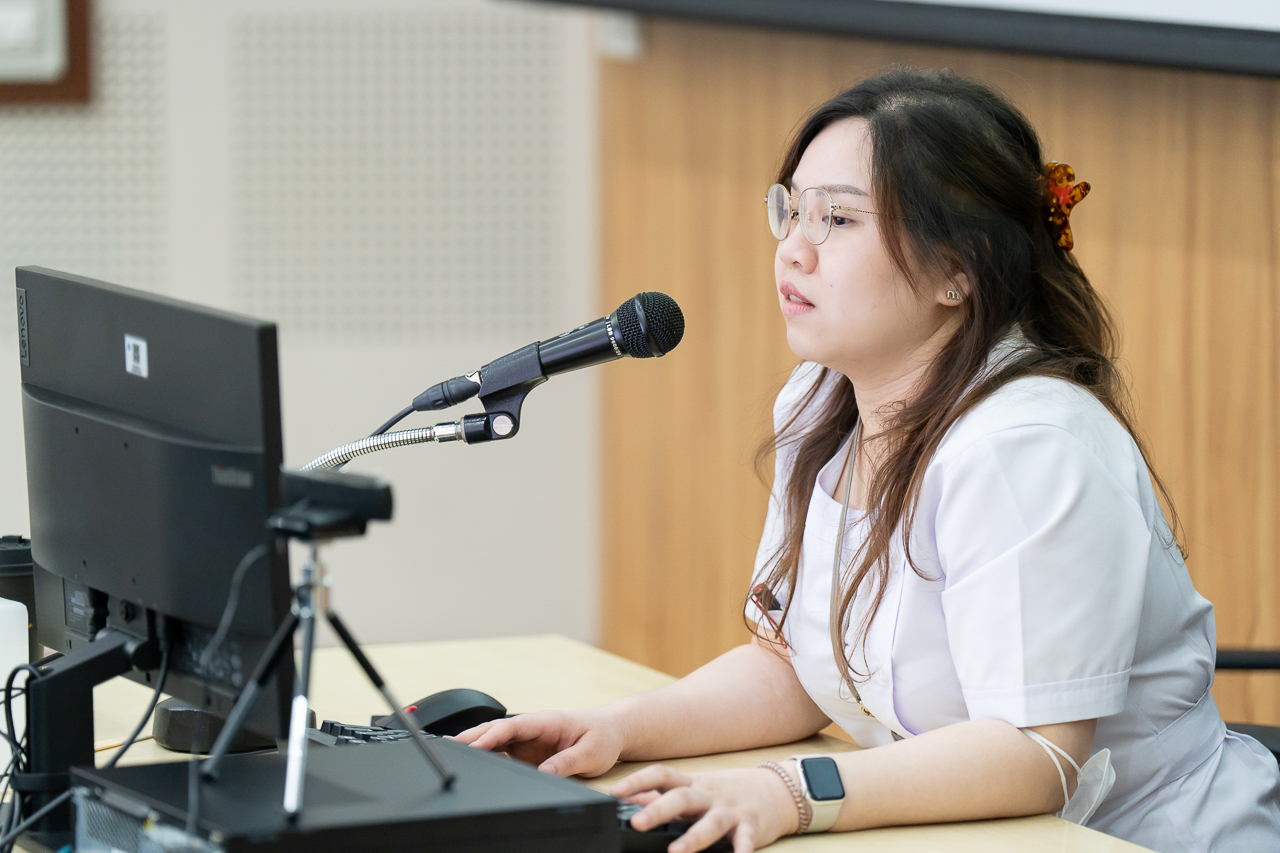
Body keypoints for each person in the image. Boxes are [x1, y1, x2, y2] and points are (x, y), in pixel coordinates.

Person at [457, 68, 1280, 852]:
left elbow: (1035, 753)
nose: (793, 249)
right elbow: (793, 668)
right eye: (791, 210)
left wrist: (789, 790)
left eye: (838, 220)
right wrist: (614, 727)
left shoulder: (1027, 446)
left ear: (957, 269)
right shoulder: (819, 399)